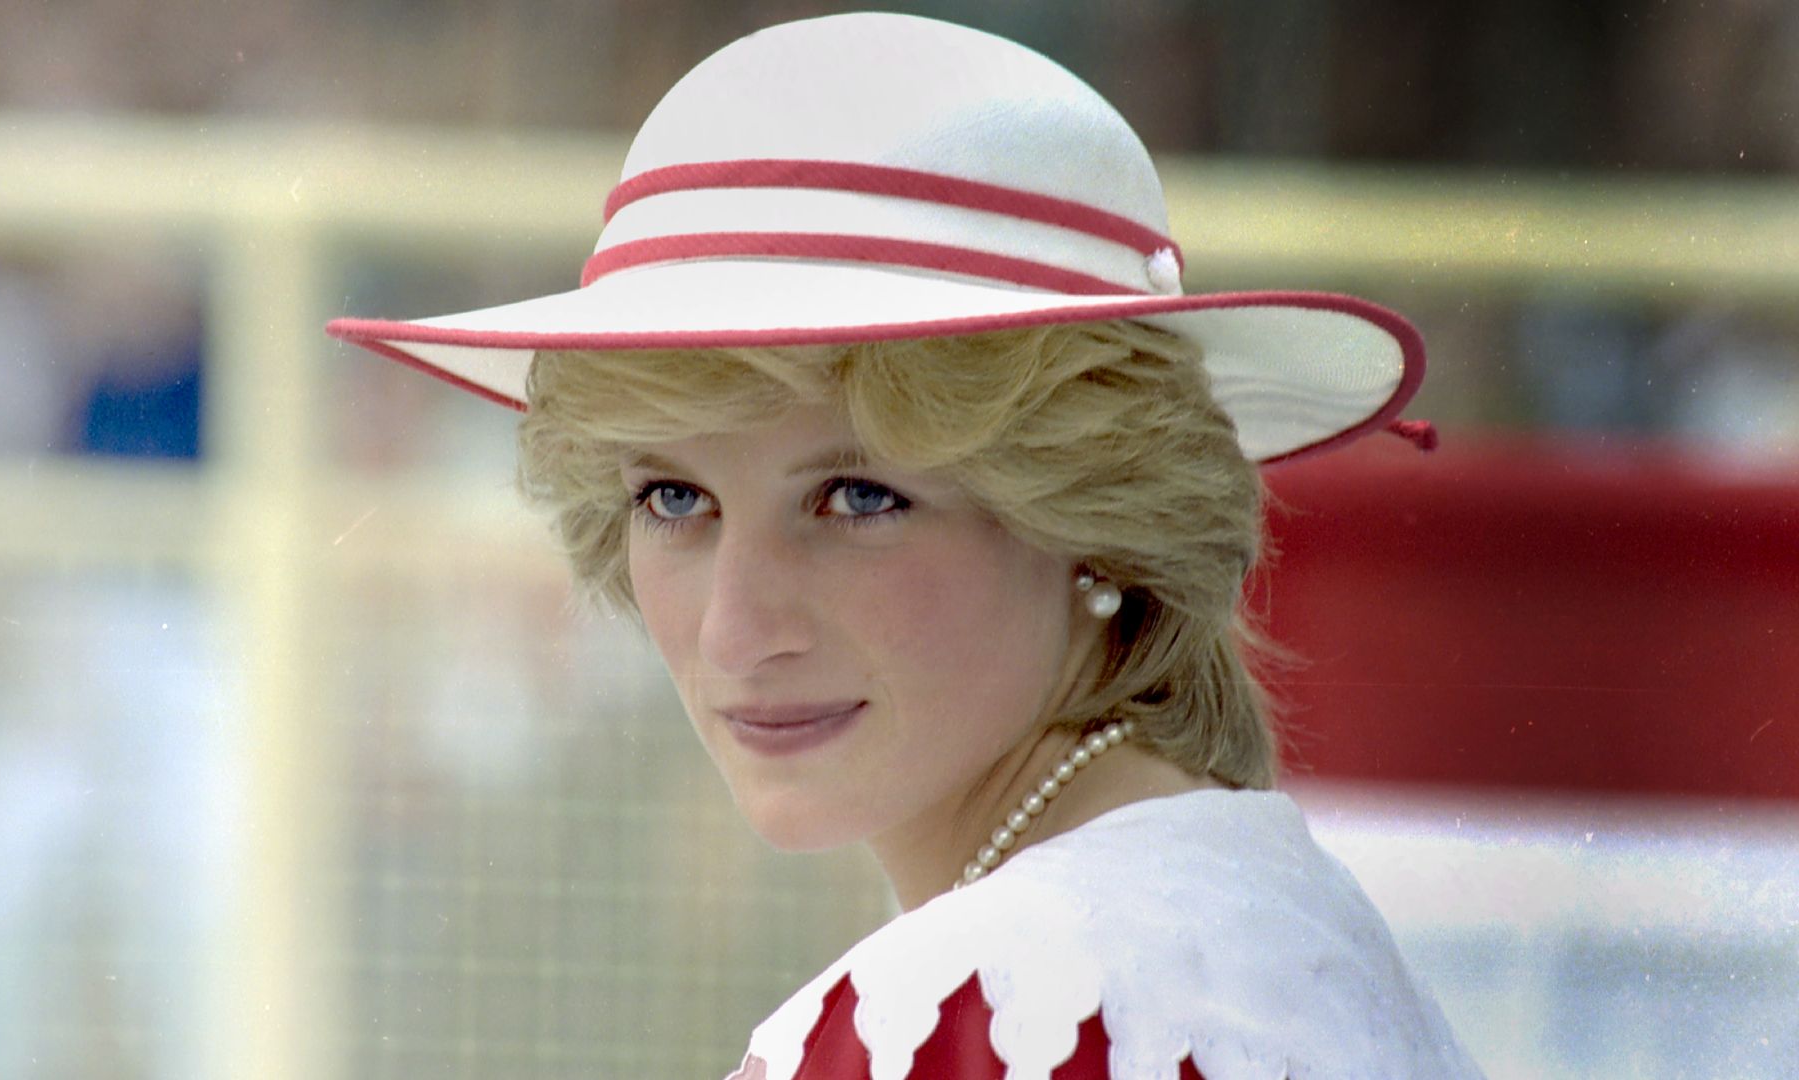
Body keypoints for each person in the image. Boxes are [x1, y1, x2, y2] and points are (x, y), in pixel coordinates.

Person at [328, 12, 1481, 1079]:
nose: (737, 629)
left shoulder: (964, 1020)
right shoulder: (1276, 924)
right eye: (674, 499)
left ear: (1098, 519)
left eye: (856, 500)